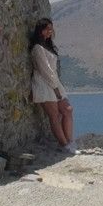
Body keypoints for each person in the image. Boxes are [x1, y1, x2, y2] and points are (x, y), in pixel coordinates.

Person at [30, 18, 75, 153]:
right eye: (48, 29)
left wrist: (57, 86)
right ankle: (64, 144)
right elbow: (45, 70)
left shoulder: (47, 46)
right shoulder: (38, 48)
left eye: (51, 28)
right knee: (54, 115)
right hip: (45, 85)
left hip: (55, 83)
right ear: (41, 30)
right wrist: (55, 88)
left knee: (67, 110)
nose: (50, 31)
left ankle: (69, 142)